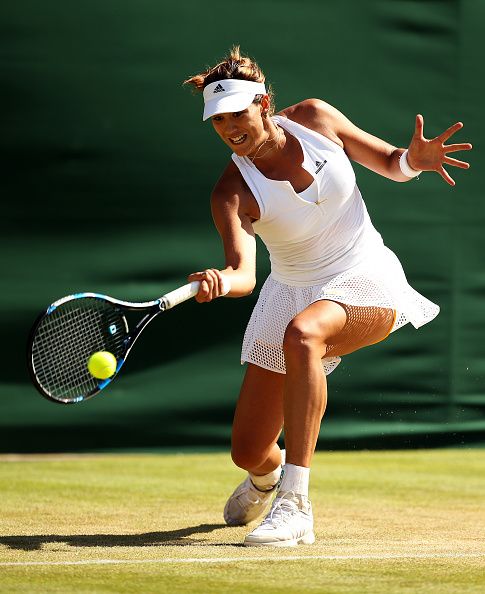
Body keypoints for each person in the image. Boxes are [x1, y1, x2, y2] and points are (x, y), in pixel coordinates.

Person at [183, 46, 472, 547]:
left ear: (264, 104)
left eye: (237, 114)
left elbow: (388, 161)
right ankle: (265, 480)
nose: (229, 127)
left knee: (303, 335)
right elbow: (243, 273)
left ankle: (295, 505)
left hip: (366, 273)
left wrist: (413, 162)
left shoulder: (315, 118)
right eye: (217, 120)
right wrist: (219, 281)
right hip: (288, 290)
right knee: (249, 449)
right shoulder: (231, 193)